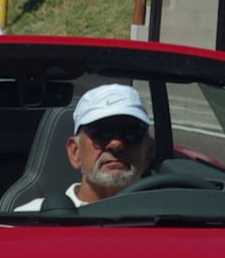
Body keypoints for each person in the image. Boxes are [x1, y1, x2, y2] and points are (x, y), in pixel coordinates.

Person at [15, 83, 154, 210]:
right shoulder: (31, 219)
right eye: (101, 133)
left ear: (147, 153)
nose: (116, 144)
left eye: (131, 133)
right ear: (75, 152)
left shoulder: (169, 217)